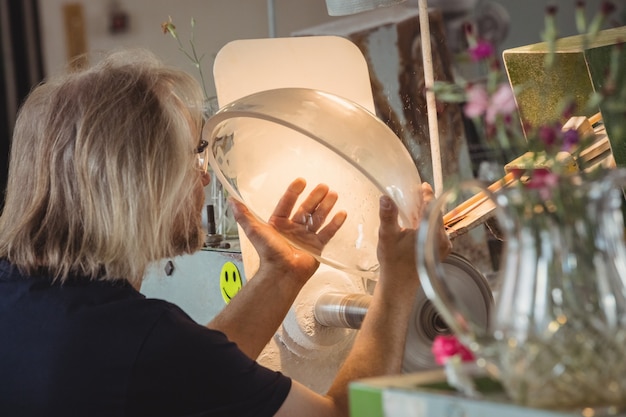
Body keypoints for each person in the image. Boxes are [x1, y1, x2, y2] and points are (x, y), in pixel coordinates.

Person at [0, 48, 450, 417]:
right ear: (141, 184)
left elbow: (183, 377)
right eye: (193, 156)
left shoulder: (24, 301)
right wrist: (399, 282)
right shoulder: (144, 339)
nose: (204, 178)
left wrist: (282, 274)